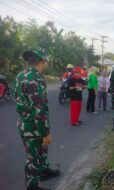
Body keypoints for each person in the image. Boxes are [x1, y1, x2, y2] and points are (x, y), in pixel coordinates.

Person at [14, 47, 60, 190]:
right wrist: (45, 133)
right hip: (33, 126)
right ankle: (32, 185)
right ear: (43, 60)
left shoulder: (21, 75)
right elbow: (39, 110)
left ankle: (44, 170)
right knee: (33, 156)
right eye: (46, 60)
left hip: (24, 122)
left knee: (42, 150)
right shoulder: (35, 79)